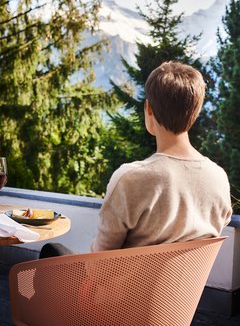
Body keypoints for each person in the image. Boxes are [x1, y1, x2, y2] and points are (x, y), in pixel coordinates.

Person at [40, 61, 232, 258]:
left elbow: (97, 262)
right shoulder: (219, 178)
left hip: (122, 288)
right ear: (196, 110)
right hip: (182, 288)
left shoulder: (130, 178)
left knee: (52, 251)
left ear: (148, 109)